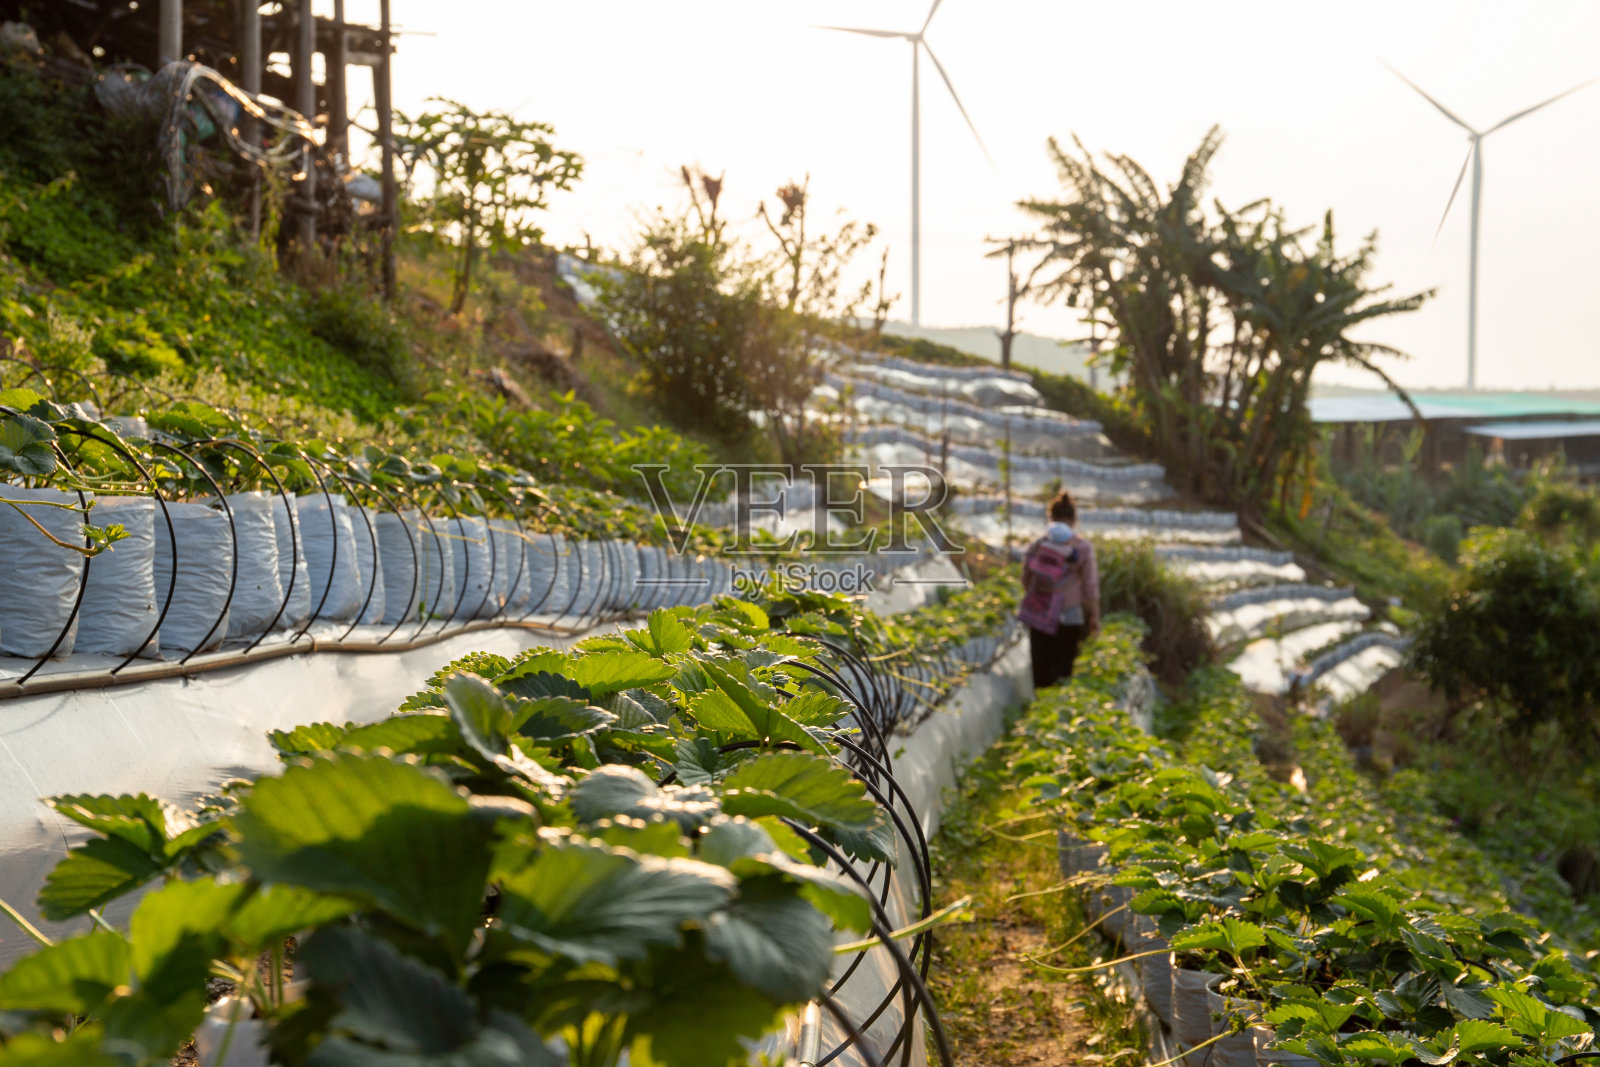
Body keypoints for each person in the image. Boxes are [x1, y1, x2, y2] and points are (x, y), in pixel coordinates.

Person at [1019, 489, 1101, 690]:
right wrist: (1095, 617)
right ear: (1074, 520)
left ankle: (1039, 714)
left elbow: (1025, 578)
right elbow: (1091, 585)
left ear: (1051, 517)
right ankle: (1059, 716)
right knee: (1064, 671)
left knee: (1041, 671)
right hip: (1070, 615)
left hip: (1040, 615)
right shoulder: (1082, 547)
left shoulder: (1039, 544)